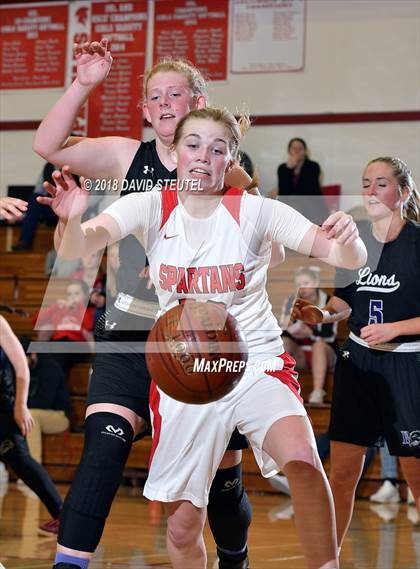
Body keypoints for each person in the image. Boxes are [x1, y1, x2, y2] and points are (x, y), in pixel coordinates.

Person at [43, 106, 367, 569]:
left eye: (217, 150)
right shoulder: (149, 204)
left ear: (230, 161)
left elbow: (346, 256)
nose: (202, 157)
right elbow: (75, 246)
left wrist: (350, 237)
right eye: (193, 145)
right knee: (182, 528)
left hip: (255, 363)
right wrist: (71, 218)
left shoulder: (257, 211)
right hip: (185, 376)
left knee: (302, 457)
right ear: (174, 154)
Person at [33, 40, 257, 569]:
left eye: (174, 94)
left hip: (198, 341)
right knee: (103, 448)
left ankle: (234, 557)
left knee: (218, 485)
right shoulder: (123, 157)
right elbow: (48, 144)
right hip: (129, 333)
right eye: (153, 96)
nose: (162, 103)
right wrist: (85, 83)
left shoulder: (226, 169)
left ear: (196, 102)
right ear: (144, 109)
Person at [293, 156, 420, 548]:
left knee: (416, 479)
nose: (370, 191)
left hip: (407, 365)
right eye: (366, 182)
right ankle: (328, 560)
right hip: (359, 362)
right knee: (343, 475)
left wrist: (394, 328)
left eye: (381, 183)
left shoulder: (417, 242)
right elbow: (345, 300)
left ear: (402, 193)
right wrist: (323, 314)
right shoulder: (355, 239)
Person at [0, 315, 63, 535]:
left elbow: (21, 367)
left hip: (4, 407)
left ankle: (62, 515)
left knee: (22, 462)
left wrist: (20, 405)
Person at [279, 265, 338, 404]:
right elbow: (282, 329)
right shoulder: (290, 301)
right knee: (283, 342)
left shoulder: (329, 302)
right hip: (301, 353)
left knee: (318, 345)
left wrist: (311, 333)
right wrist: (291, 329)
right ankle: (283, 390)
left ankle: (317, 392)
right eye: (298, 284)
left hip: (325, 353)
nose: (302, 288)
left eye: (306, 283)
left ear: (316, 283)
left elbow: (331, 336)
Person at [270, 137, 328, 224]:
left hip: (311, 203)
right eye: (294, 148)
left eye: (300, 148)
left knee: (294, 206)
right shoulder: (283, 168)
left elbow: (306, 190)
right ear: (289, 151)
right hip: (290, 205)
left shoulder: (313, 166)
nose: (297, 151)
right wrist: (289, 169)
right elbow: (284, 193)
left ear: (305, 151)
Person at [12, 162, 58, 251]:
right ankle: (24, 241)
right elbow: (39, 191)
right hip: (52, 209)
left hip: (69, 211)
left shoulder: (77, 167)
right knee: (35, 198)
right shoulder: (49, 166)